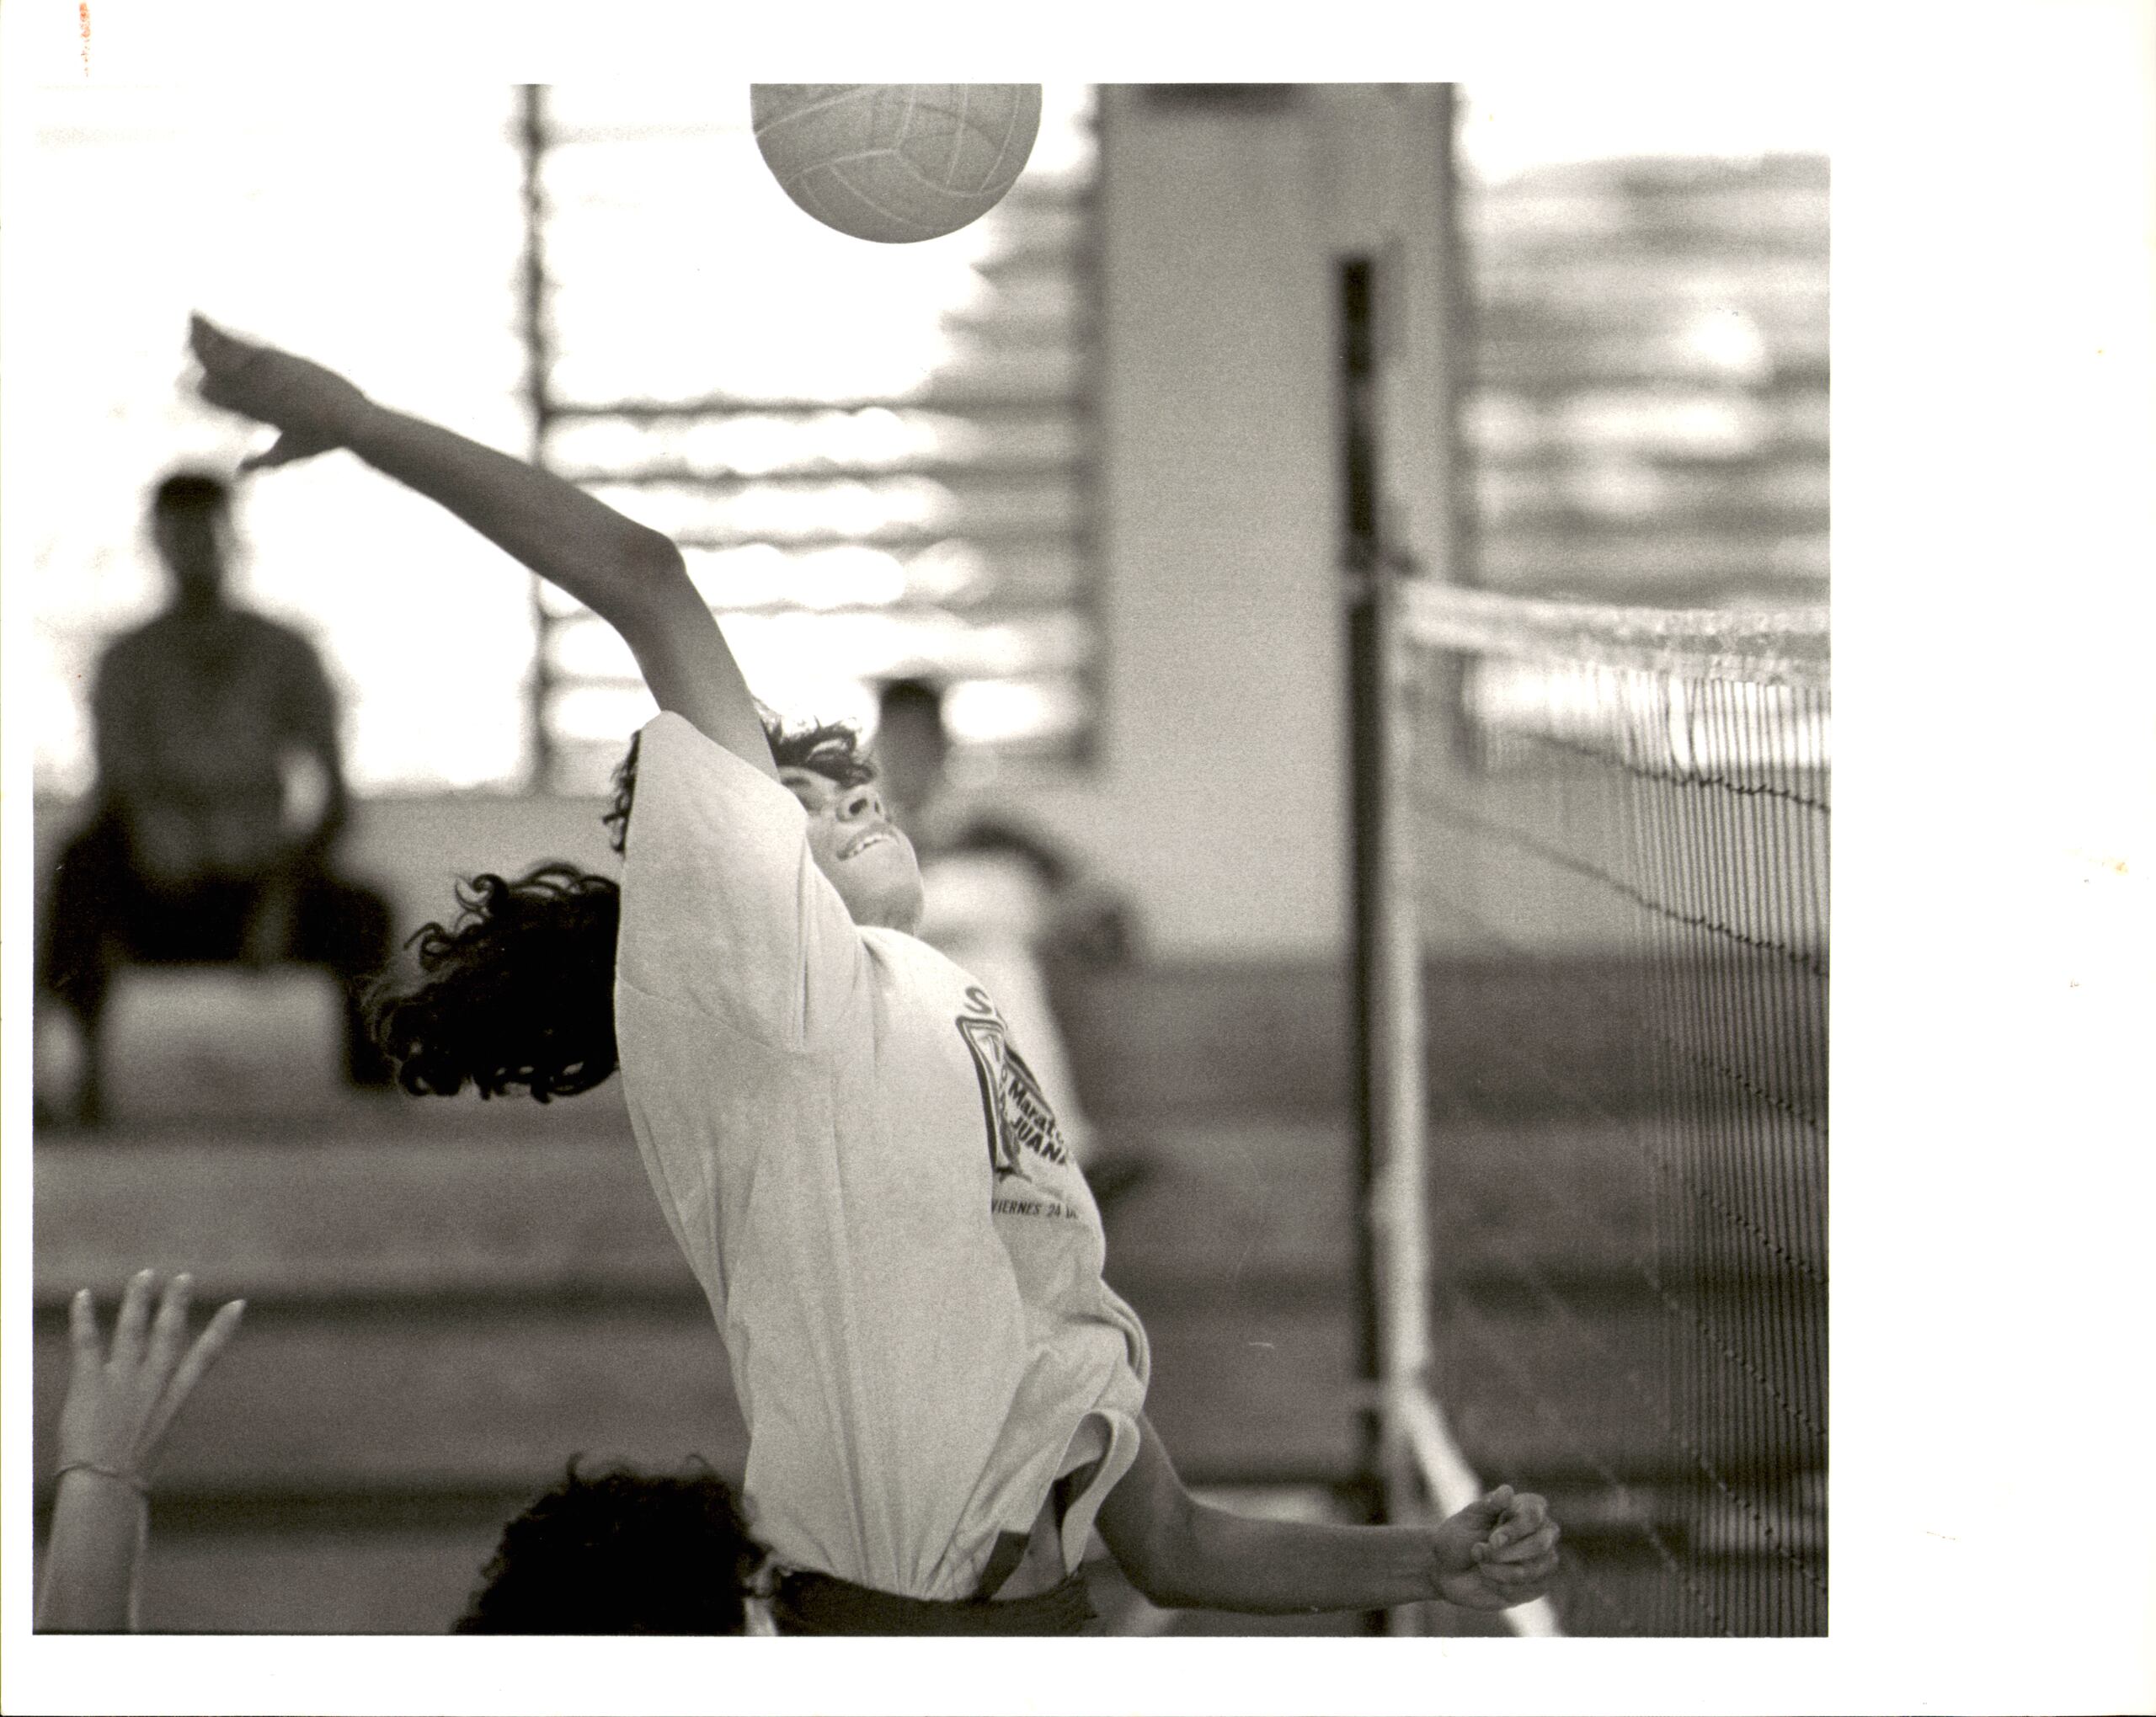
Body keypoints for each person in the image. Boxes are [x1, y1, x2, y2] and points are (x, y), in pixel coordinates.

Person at [188, 313, 1560, 1634]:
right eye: (799, 795)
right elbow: (645, 575)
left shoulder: (968, 1053)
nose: (850, 798)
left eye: (848, 784)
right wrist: (360, 423)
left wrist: (1430, 1557)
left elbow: (1179, 1541)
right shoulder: (762, 977)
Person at [37, 471, 395, 1125]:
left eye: (207, 533)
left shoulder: (286, 652)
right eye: (179, 535)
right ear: (158, 544)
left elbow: (334, 794)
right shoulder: (127, 660)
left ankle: (371, 1092)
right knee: (77, 870)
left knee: (365, 912)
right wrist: (154, 842)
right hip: (157, 885)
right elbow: (117, 785)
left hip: (262, 887)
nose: (194, 550)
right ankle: (66, 1079)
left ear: (234, 539)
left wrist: (280, 899)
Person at [873, 675, 1145, 1200]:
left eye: (918, 743)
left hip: (981, 1019)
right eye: (895, 743)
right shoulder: (861, 835)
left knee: (997, 943)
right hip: (890, 1015)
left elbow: (1105, 913)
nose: (906, 758)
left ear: (943, 749)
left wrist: (1040, 917)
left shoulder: (992, 836)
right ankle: (1055, 1154)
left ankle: (1044, 1156)